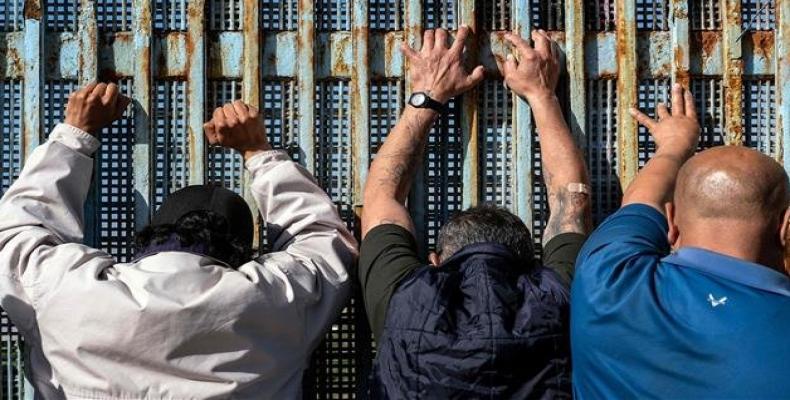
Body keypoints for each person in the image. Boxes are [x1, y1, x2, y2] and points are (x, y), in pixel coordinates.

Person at [0, 83, 356, 398]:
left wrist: (74, 137)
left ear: (149, 237)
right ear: (242, 256)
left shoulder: (67, 290)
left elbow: (17, 231)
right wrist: (259, 152)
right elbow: (324, 241)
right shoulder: (276, 301)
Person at [359, 27, 591, 398]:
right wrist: (541, 94)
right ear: (531, 263)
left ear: (435, 261)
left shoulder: (404, 297)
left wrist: (427, 94)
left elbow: (381, 196)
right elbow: (571, 202)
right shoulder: (555, 294)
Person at [571, 84, 790, 398]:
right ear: (784, 227)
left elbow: (642, 201)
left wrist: (675, 144)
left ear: (670, 221)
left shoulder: (608, 280)